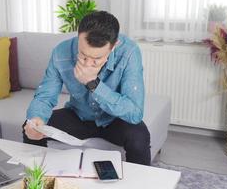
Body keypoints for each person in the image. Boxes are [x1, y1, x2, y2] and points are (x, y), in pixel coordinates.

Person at [22, 11, 150, 165]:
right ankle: (37, 180)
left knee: (139, 137)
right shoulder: (60, 52)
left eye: (96, 59)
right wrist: (36, 119)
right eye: (83, 55)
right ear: (78, 37)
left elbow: (135, 113)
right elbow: (45, 96)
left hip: (115, 119)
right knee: (31, 128)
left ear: (114, 46)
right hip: (79, 116)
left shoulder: (129, 52)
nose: (87, 64)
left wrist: (93, 84)